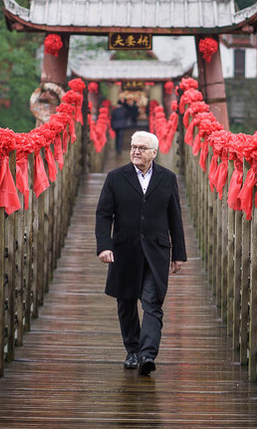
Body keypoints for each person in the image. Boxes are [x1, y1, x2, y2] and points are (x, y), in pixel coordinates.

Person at [95, 130, 187, 375]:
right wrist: (104, 245)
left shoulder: (167, 178)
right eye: (134, 147)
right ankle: (132, 351)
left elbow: (174, 218)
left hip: (156, 251)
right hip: (124, 250)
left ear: (154, 153)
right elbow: (104, 214)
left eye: (142, 148)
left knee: (152, 303)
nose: (136, 151)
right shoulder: (116, 177)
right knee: (125, 302)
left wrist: (179, 253)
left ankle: (147, 354)